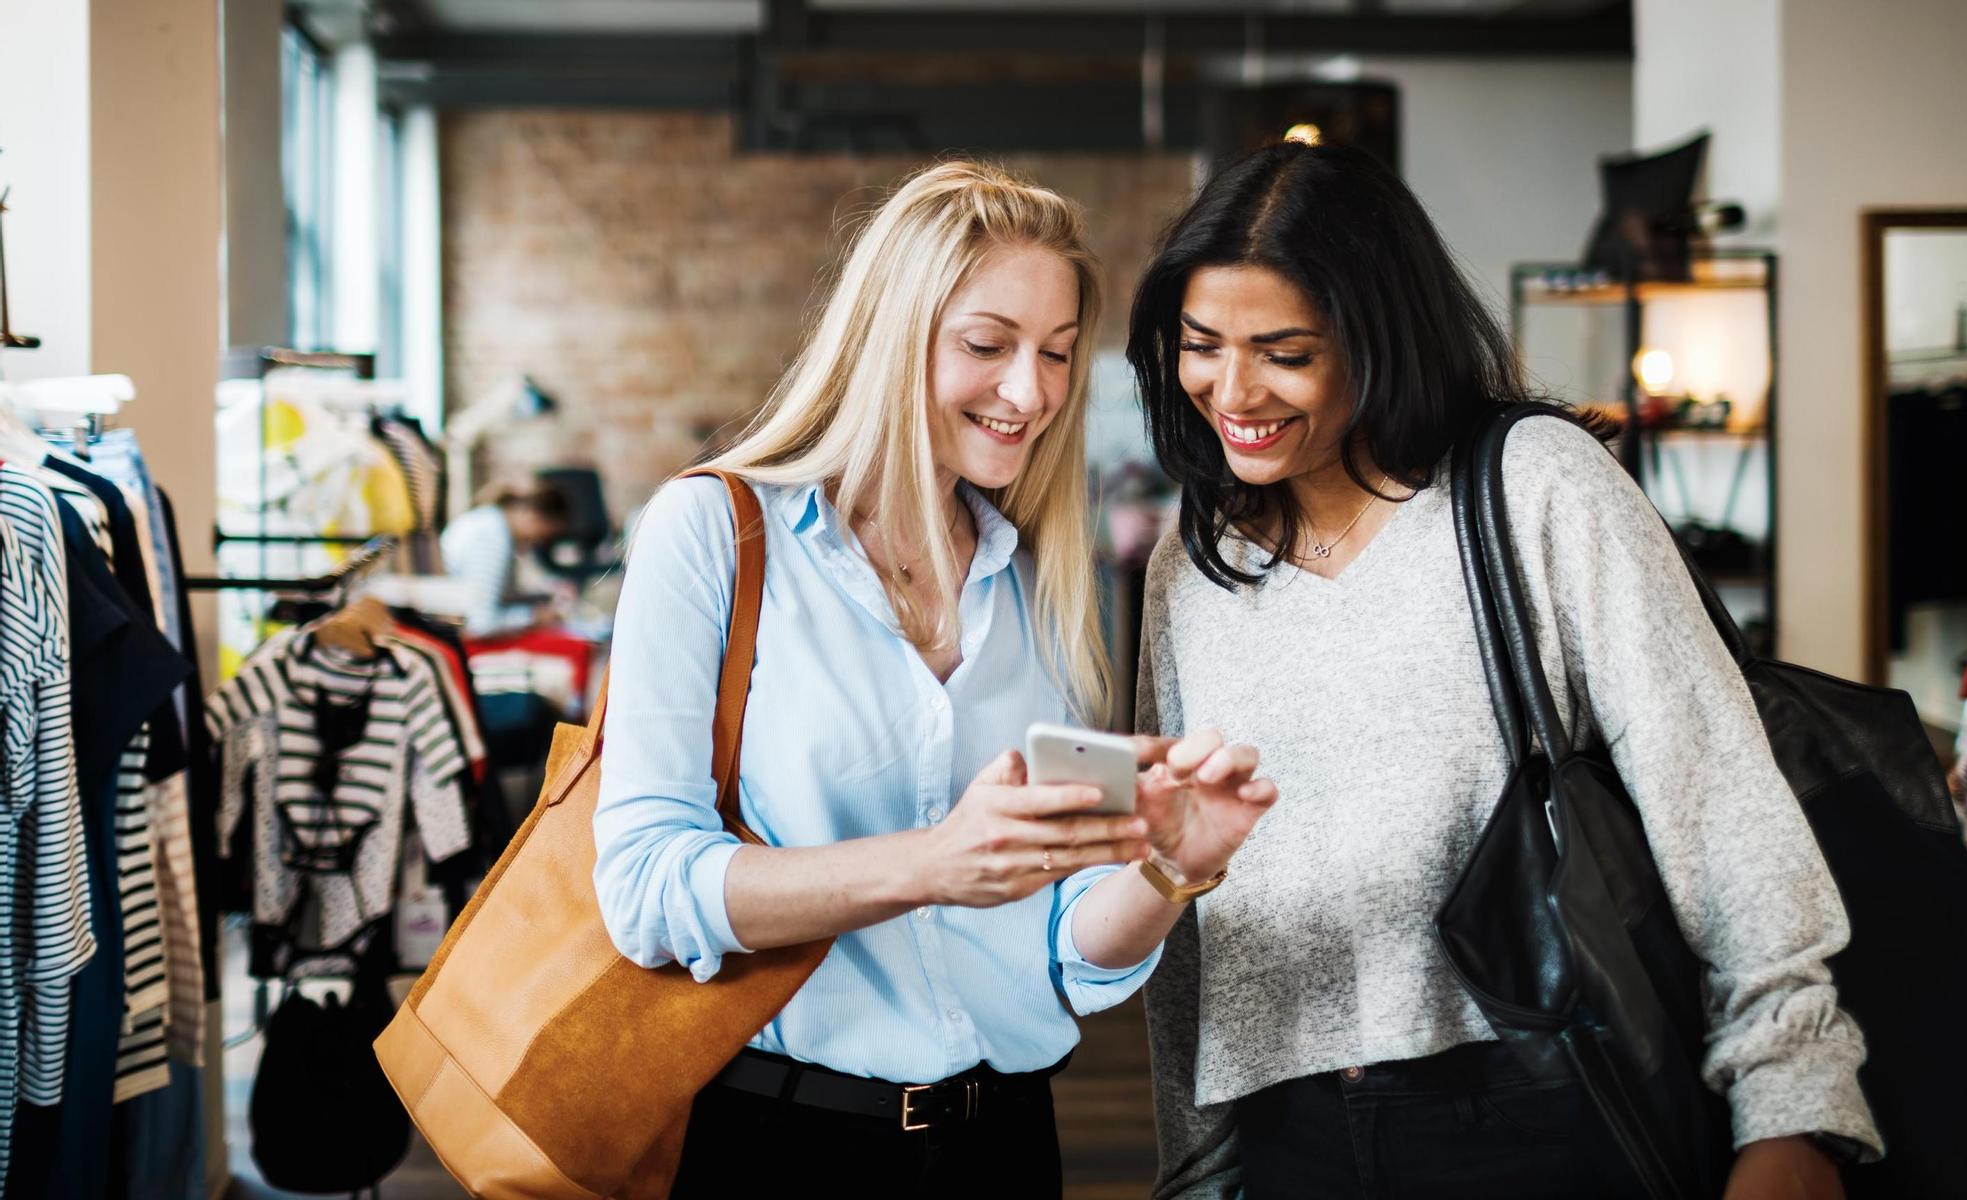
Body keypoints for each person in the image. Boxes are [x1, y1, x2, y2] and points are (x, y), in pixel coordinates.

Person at [1128, 141, 1881, 1198]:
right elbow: (1191, 892)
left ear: (1377, 339)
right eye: (1200, 344)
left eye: (1284, 352)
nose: (1230, 389)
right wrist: (1194, 1168)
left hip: (1533, 1103)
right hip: (1290, 1134)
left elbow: (1711, 791)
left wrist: (1788, 1104)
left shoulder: (1531, 487)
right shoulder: (1196, 559)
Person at [592, 161, 1278, 1196]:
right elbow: (644, 888)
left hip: (1000, 1144)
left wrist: (1168, 870)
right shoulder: (716, 532)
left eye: (1054, 354)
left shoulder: (1048, 573)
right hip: (778, 1143)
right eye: (985, 345)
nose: (1029, 392)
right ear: (888, 336)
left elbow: (1064, 944)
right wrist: (929, 863)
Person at [438, 482, 570, 636]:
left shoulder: (491, 520)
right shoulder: (493, 534)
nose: (538, 543)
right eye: (545, 536)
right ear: (533, 516)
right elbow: (480, 623)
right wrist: (533, 617)